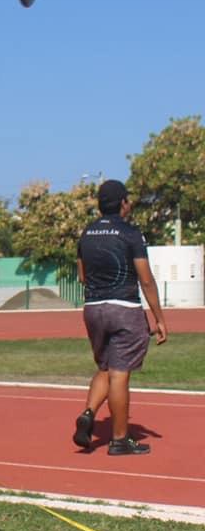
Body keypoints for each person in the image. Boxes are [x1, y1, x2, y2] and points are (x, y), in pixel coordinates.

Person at [72, 179, 167, 455]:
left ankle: (89, 413)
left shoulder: (86, 234)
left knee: (105, 367)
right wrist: (159, 318)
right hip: (124, 308)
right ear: (123, 203)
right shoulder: (131, 233)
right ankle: (120, 439)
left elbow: (82, 276)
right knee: (119, 373)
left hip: (93, 308)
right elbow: (146, 280)